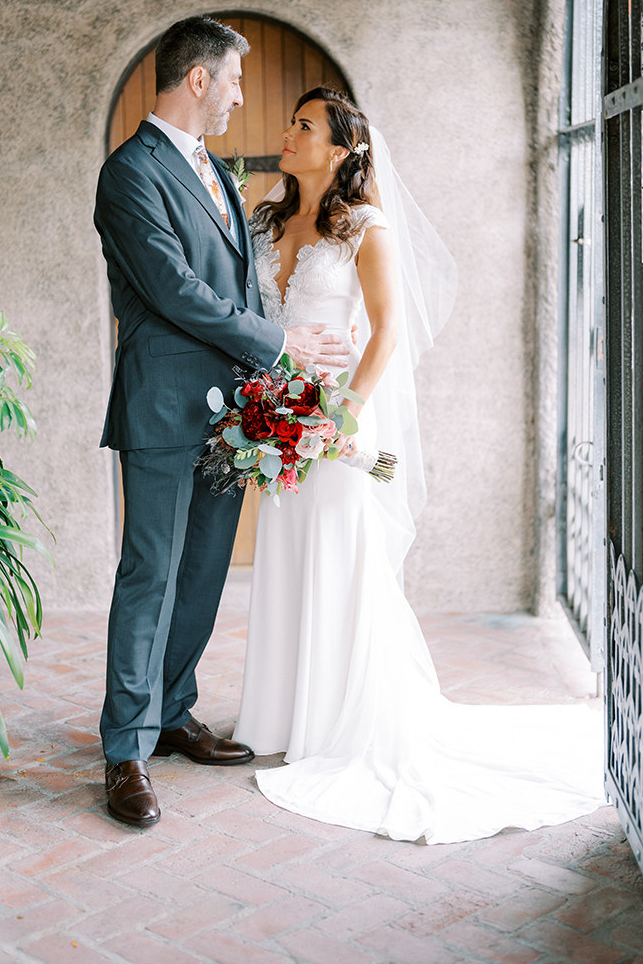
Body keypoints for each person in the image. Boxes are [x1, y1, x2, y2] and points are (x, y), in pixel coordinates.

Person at [235, 87, 605, 844]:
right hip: (277, 416)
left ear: (340, 150)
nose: (288, 133)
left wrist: (340, 417)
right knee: (288, 552)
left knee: (342, 556)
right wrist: (266, 406)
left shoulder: (366, 229)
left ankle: (340, 720)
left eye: (304, 127)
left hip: (335, 422)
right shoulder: (269, 217)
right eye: (293, 123)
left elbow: (389, 331)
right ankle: (282, 713)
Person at [93, 18, 348, 828]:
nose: (241, 95)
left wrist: (267, 379)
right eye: (233, 80)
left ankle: (171, 713)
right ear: (198, 79)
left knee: (203, 571)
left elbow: (233, 280)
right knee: (151, 573)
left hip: (235, 410)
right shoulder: (130, 172)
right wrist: (281, 343)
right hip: (165, 404)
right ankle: (125, 749)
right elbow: (173, 290)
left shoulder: (210, 168)